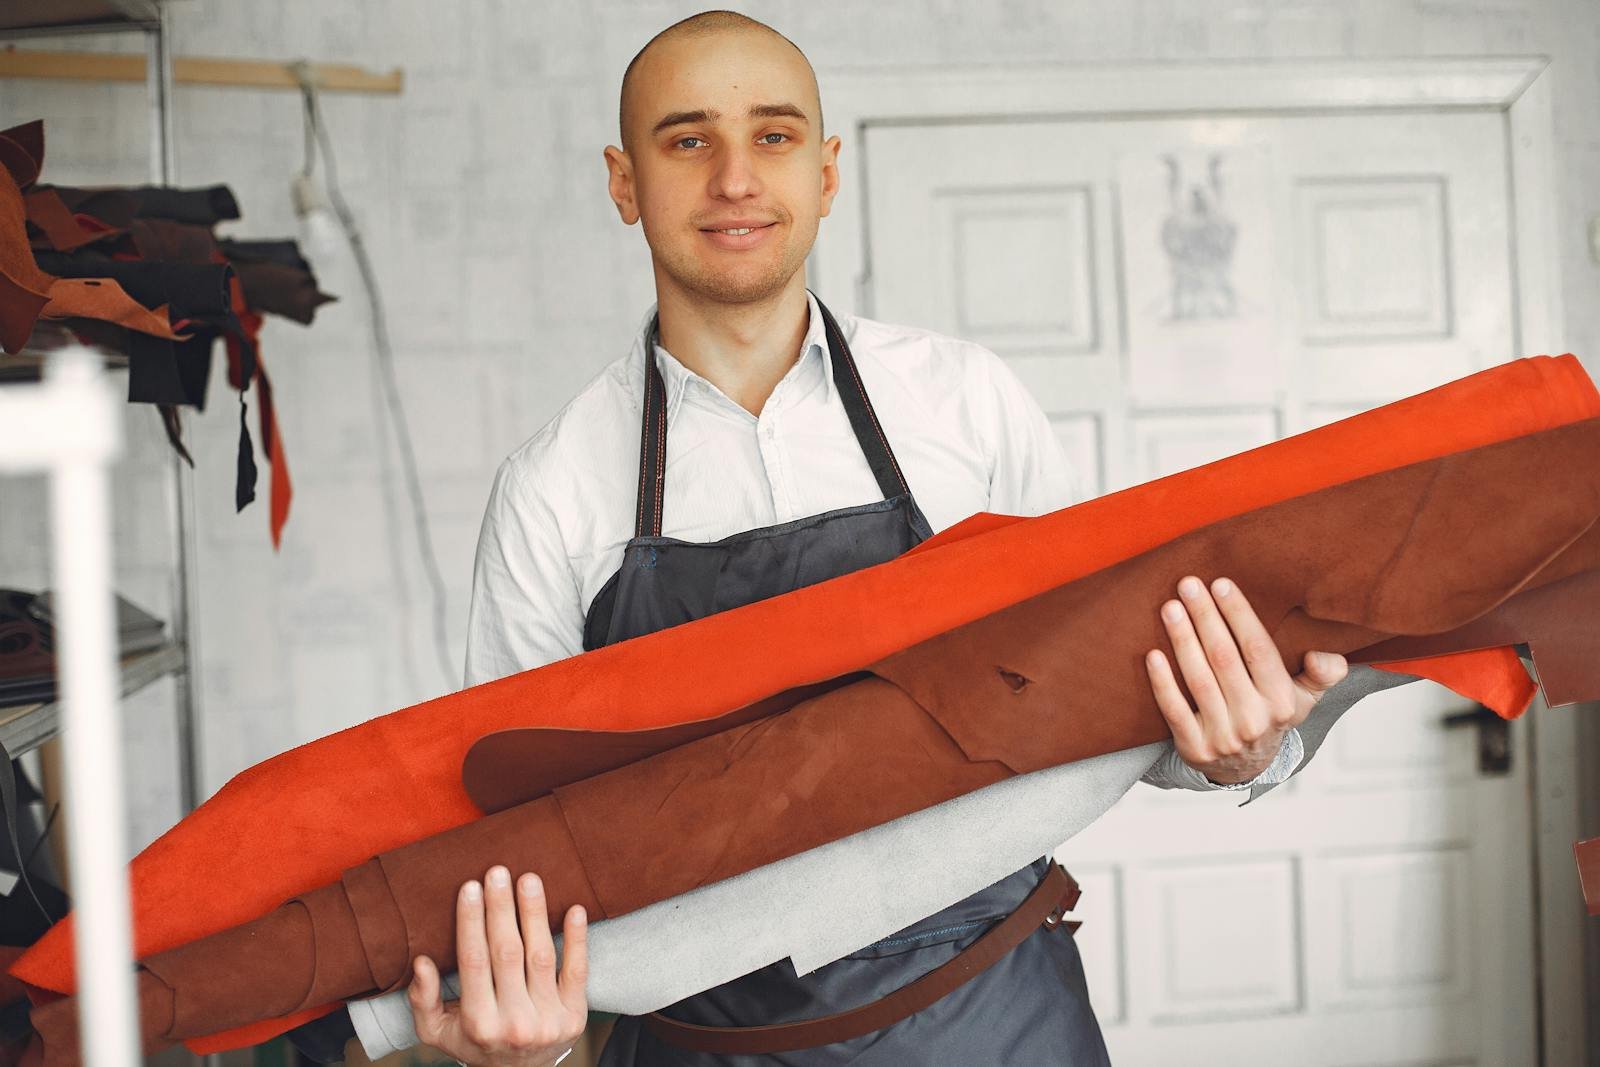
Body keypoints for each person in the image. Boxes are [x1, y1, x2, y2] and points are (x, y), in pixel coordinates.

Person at [421, 11, 1350, 1066]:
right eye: (686, 140)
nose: (733, 178)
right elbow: (509, 844)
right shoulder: (552, 490)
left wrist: (1239, 755)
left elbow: (1114, 709)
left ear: (825, 172)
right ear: (623, 181)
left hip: (995, 1022)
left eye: (772, 137)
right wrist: (528, 1047)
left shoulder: (965, 407)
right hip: (697, 1043)